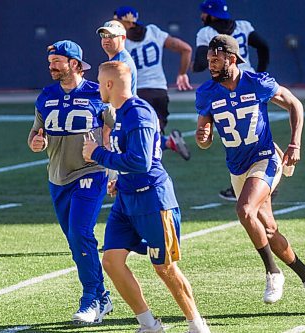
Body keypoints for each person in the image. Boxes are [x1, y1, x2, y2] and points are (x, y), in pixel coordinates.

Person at [195, 34, 305, 312]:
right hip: (237, 166)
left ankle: (272, 272)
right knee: (268, 228)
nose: (211, 65)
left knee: (244, 211)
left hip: (265, 158)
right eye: (208, 61)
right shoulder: (207, 92)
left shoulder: (256, 82)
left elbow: (295, 104)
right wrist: (203, 136)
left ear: (231, 58)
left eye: (216, 60)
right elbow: (203, 137)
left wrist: (294, 143)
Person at [82, 60, 210, 333]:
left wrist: (97, 154)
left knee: (164, 268)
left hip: (153, 200)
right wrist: (119, 178)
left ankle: (196, 324)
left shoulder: (137, 113)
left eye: (99, 82)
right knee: (112, 261)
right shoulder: (120, 112)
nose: (97, 88)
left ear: (109, 84)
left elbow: (140, 161)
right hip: (127, 198)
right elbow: (131, 160)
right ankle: (149, 324)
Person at [27, 40, 113, 324]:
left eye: (57, 61)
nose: (51, 65)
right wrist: (37, 142)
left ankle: (90, 300)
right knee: (76, 240)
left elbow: (115, 129)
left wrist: (112, 163)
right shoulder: (46, 95)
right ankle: (102, 296)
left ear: (74, 64)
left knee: (80, 231)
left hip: (90, 173)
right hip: (57, 176)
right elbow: (35, 135)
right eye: (50, 61)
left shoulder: (97, 93)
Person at [193, 0, 270, 201]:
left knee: (242, 132)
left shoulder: (206, 33)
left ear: (210, 15)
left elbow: (200, 63)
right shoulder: (243, 25)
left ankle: (261, 176)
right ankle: (264, 175)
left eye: (203, 13)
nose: (202, 17)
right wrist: (260, 73)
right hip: (249, 81)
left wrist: (203, 62)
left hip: (227, 84)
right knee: (255, 130)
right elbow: (263, 46)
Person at [112, 6, 193, 161]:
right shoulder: (153, 31)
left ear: (125, 22)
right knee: (151, 136)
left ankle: (162, 153)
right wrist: (182, 74)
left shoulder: (120, 41)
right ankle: (169, 143)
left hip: (137, 94)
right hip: (160, 92)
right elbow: (186, 49)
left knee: (133, 139)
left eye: (116, 20)